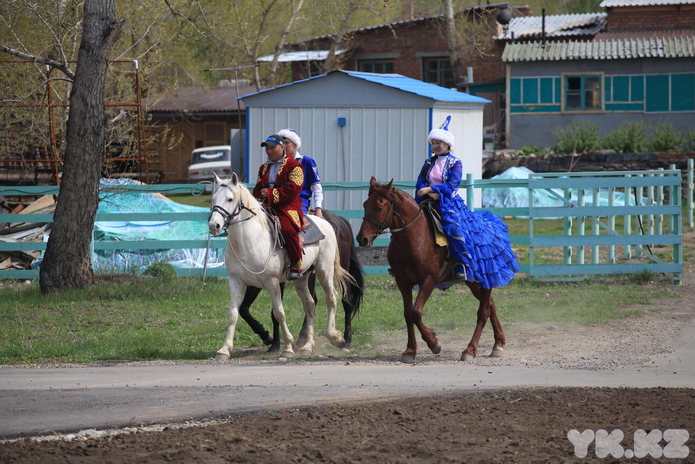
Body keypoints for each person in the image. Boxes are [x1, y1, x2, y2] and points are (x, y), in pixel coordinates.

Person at [415, 116, 519, 288]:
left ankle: (461, 265)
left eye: (438, 143)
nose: (434, 147)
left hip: (447, 203)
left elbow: (452, 185)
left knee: (454, 228)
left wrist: (431, 191)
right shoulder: (428, 162)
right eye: (432, 143)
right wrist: (422, 190)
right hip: (426, 201)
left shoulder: (455, 163)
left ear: (447, 144)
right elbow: (421, 180)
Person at [252, 134, 305, 280]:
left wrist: (270, 193)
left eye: (272, 148)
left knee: (287, 229)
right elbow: (257, 188)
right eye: (267, 148)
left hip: (287, 206)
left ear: (282, 148)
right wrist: (255, 201)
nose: (269, 151)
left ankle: (296, 264)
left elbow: (294, 189)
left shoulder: (295, 166)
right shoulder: (263, 168)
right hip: (265, 205)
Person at [276, 128, 324, 220]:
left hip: (300, 201)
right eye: (281, 143)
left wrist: (318, 208)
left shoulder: (307, 161)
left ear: (295, 144)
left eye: (287, 142)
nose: (284, 146)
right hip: (279, 200)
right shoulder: (277, 163)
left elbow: (316, 186)